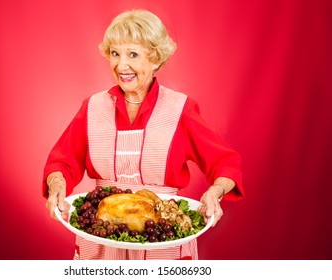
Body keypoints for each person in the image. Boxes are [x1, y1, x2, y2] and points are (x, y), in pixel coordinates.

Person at [43, 9, 244, 260]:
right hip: (101, 240)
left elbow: (225, 163)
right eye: (115, 53)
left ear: (156, 59)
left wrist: (215, 192)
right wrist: (57, 186)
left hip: (162, 238)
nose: (121, 65)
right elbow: (61, 162)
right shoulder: (92, 107)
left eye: (133, 55)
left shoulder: (180, 109)